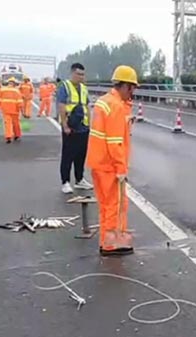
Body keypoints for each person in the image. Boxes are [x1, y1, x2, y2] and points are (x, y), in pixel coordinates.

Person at [86, 65, 137, 256]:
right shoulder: (116, 106)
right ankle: (110, 245)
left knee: (106, 205)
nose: (133, 92)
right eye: (132, 88)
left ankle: (107, 241)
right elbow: (115, 142)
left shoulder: (104, 101)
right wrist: (121, 168)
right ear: (126, 86)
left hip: (99, 163)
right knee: (115, 206)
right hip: (110, 165)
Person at [57, 63, 92, 193]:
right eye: (79, 74)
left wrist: (89, 124)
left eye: (83, 74)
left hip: (83, 127)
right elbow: (61, 105)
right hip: (70, 126)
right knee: (68, 155)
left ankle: (79, 179)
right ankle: (65, 182)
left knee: (81, 155)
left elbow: (87, 105)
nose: (81, 77)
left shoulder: (83, 88)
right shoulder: (65, 86)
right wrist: (65, 125)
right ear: (72, 73)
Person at [0, 77, 23, 144]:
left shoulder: (2, 90)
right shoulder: (17, 91)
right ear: (14, 84)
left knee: (7, 123)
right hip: (15, 110)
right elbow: (20, 102)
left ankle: (8, 136)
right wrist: (22, 111)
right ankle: (17, 135)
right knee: (16, 123)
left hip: (5, 109)